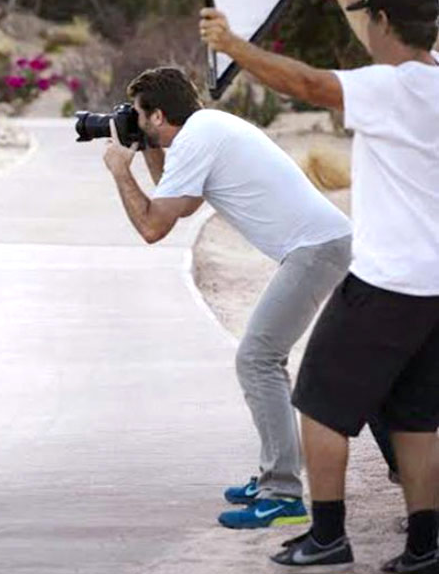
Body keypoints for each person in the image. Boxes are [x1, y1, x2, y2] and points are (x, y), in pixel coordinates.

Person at [201, 0, 439, 570]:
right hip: (433, 288)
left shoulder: (388, 88)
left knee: (318, 402)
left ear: (384, 20)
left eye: (370, 20)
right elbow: (376, 49)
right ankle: (426, 545)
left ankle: (328, 534)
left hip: (386, 284)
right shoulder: (429, 82)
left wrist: (233, 43)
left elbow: (307, 82)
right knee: (414, 419)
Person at [101, 66, 352, 529]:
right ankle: (275, 476)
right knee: (270, 358)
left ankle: (283, 494)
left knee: (257, 358)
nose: (134, 124)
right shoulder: (204, 129)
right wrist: (150, 149)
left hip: (314, 249)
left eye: (138, 116)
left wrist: (120, 172)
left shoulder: (199, 137)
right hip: (319, 244)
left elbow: (154, 226)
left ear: (157, 115)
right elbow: (180, 201)